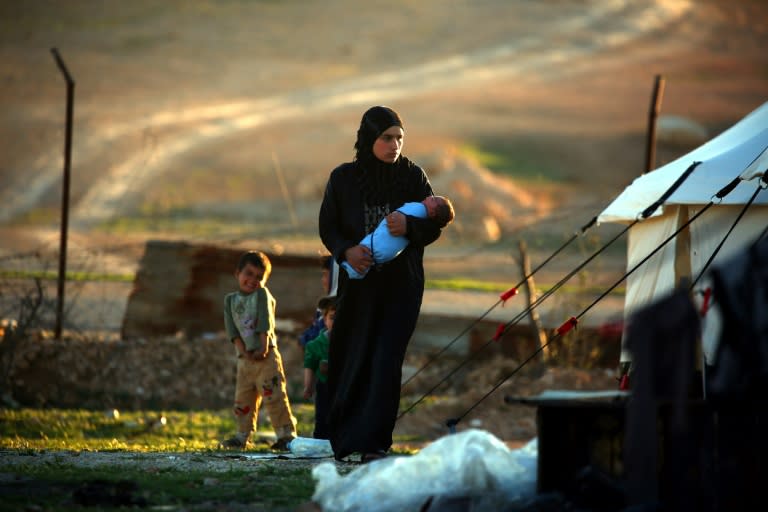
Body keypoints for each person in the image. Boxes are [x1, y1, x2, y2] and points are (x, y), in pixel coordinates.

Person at [319, 105, 447, 462]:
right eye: (387, 138)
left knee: (385, 361)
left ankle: (374, 443)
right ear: (368, 138)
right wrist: (346, 252)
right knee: (351, 353)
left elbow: (437, 221)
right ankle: (345, 441)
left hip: (400, 289)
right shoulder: (343, 179)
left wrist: (411, 228)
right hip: (358, 287)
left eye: (399, 138)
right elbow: (328, 226)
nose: (394, 145)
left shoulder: (412, 177)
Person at [220, 250, 298, 451]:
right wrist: (243, 352)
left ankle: (286, 436)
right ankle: (242, 436)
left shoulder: (262, 295)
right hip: (245, 359)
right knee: (243, 398)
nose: (252, 280)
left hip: (266, 356)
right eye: (248, 273)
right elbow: (232, 330)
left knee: (274, 396)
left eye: (259, 277)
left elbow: (265, 322)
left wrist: (263, 347)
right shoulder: (230, 300)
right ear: (237, 273)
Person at [341, 195, 454, 279]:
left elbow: (434, 229)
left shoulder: (416, 178)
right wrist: (344, 249)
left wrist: (409, 225)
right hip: (359, 258)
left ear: (434, 212)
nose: (430, 196)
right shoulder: (345, 174)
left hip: (399, 278)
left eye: (433, 199)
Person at [302, 295, 336, 440]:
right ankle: (321, 442)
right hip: (325, 387)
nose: (338, 321)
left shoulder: (353, 344)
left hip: (346, 387)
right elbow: (310, 365)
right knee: (322, 415)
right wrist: (308, 386)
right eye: (333, 317)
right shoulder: (317, 344)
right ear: (325, 319)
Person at [298, 255, 338, 350]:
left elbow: (315, 335)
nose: (322, 280)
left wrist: (304, 340)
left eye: (325, 275)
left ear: (336, 276)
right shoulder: (323, 306)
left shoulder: (335, 308)